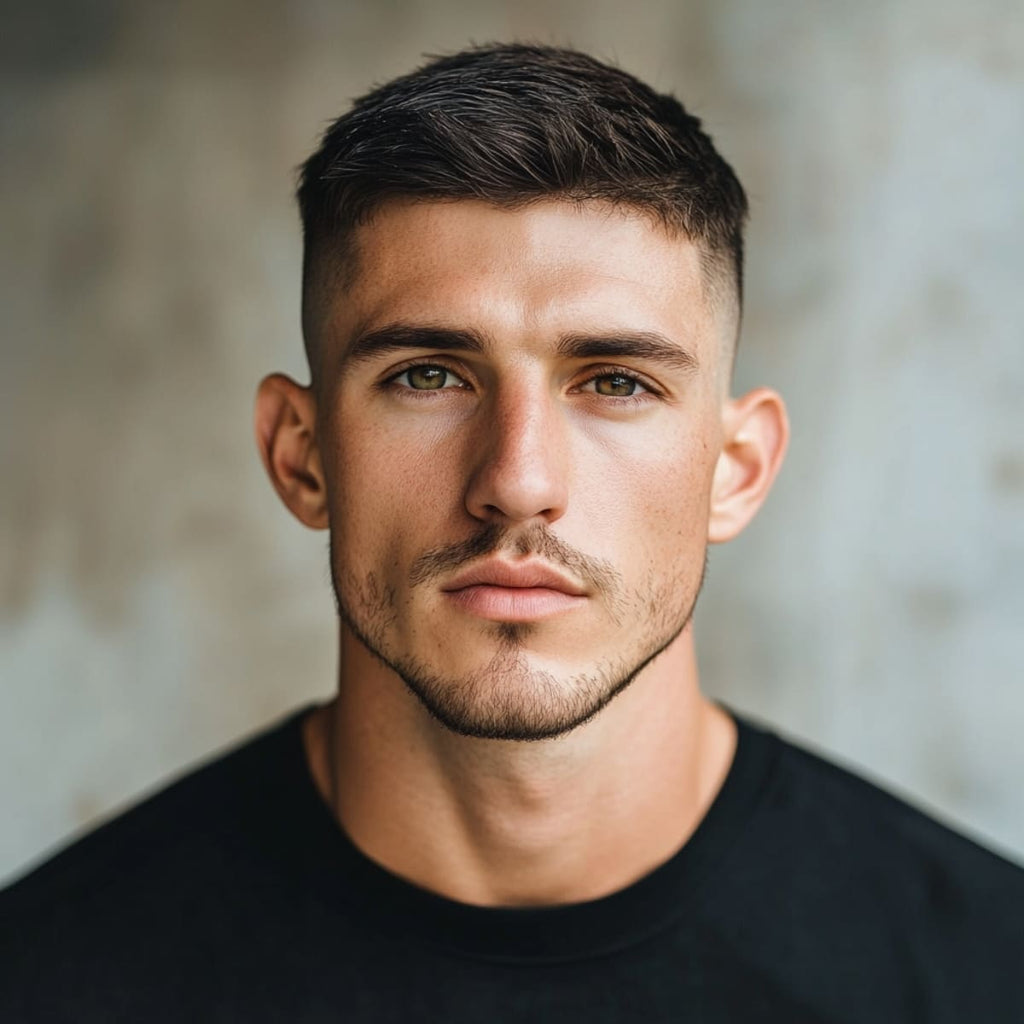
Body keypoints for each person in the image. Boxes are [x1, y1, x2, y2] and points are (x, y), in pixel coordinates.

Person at [2, 42, 1022, 1023]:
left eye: (616, 382)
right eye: (427, 376)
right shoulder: (48, 979)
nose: (517, 482)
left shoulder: (985, 972)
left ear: (736, 468)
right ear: (301, 453)